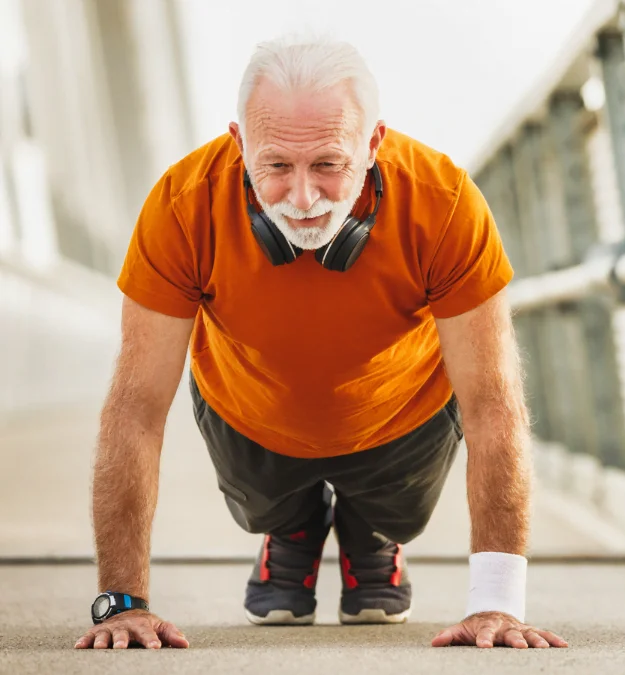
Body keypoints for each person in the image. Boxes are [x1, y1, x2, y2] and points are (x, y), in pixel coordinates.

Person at [73, 35, 566, 651]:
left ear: (374, 144)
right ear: (239, 143)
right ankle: (290, 527)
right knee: (267, 506)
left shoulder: (443, 204)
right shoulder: (182, 205)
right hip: (249, 411)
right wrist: (120, 603)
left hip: (401, 415)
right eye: (275, 166)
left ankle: (372, 530)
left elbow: (494, 403)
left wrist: (497, 603)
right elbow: (136, 408)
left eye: (329, 165)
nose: (303, 200)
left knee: (398, 513)